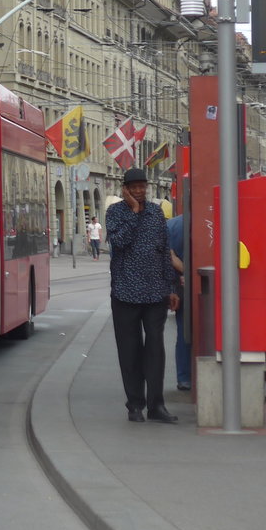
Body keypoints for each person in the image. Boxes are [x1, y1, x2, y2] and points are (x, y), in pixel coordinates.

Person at [106, 169, 180, 423]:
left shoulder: (156, 212)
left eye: (142, 186)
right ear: (125, 189)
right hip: (125, 292)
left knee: (155, 349)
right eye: (134, 187)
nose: (139, 191)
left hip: (155, 292)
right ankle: (135, 404)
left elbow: (164, 251)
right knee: (129, 350)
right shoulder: (115, 212)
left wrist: (171, 287)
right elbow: (119, 242)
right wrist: (134, 212)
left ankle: (156, 405)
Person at [165, 214, 190, 391]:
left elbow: (168, 257)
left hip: (180, 285)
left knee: (184, 331)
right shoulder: (215, 220)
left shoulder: (172, 225)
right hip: (205, 284)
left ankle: (184, 377)